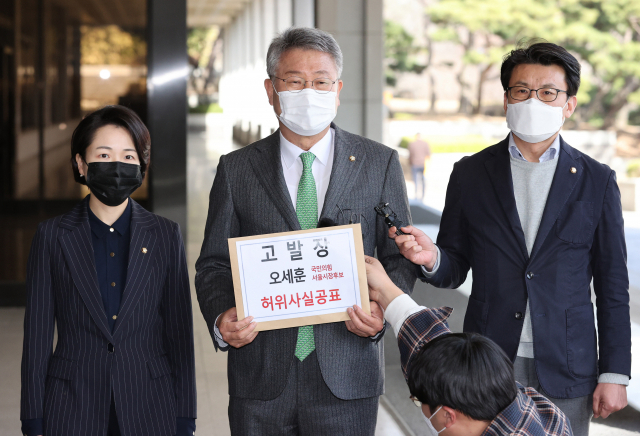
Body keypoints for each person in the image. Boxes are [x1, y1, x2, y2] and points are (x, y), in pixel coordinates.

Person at [389, 41, 630, 435]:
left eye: (548, 92)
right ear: (506, 100)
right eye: (522, 90)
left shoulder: (596, 180)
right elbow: (453, 265)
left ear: (568, 104)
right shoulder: (470, 174)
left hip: (570, 361)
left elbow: (613, 286)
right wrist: (432, 257)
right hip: (490, 356)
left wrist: (616, 372)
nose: (534, 100)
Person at [195, 27, 416, 435]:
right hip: (260, 374)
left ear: (338, 89)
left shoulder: (378, 163)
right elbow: (213, 264)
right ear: (271, 89)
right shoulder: (236, 169)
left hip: (347, 372)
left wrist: (382, 308)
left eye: (320, 82)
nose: (308, 92)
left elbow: (398, 256)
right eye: (295, 82)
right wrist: (222, 316)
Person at [20, 106, 197, 436]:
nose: (117, 166)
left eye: (129, 157)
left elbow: (179, 331)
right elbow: (38, 336)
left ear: (142, 166)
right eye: (104, 154)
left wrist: (185, 412)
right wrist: (32, 415)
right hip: (72, 403)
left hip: (150, 403)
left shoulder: (165, 234)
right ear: (81, 164)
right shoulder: (52, 236)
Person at [363, 255, 572, 436]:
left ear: (448, 416)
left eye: (419, 402)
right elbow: (437, 350)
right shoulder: (529, 406)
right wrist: (385, 291)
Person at [407, 133, 431, 201]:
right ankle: (423, 196)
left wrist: (410, 162)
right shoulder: (425, 143)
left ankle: (416, 195)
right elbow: (428, 154)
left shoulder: (412, 144)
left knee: (415, 180)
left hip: (414, 164)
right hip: (423, 164)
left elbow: (410, 155)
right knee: (423, 180)